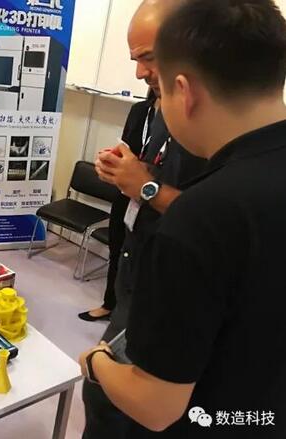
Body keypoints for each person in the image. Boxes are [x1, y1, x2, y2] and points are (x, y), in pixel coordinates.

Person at [79, 0, 286, 437]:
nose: (143, 75)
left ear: (184, 91)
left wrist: (95, 362)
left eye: (150, 62)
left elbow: (154, 405)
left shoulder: (204, 214)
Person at [79, 0, 207, 437]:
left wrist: (146, 187)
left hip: (168, 283)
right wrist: (130, 172)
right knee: (103, 396)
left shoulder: (224, 140)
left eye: (148, 57)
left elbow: (212, 217)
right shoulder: (162, 110)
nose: (139, 73)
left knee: (109, 394)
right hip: (139, 265)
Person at [78, 89, 157, 322]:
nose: (143, 74)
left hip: (153, 197)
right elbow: (125, 147)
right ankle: (110, 304)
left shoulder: (179, 119)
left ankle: (133, 317)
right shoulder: (140, 110)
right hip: (125, 194)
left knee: (145, 259)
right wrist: (111, 161)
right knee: (118, 248)